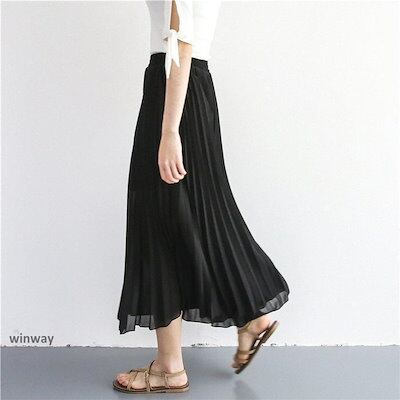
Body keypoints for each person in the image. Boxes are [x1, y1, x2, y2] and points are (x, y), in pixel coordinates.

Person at [113, 0, 290, 394]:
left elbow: (181, 42)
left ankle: (170, 367)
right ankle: (249, 314)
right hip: (185, 90)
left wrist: (169, 131)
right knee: (194, 216)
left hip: (175, 92)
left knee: (160, 222)